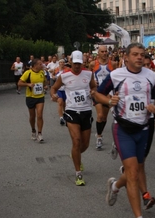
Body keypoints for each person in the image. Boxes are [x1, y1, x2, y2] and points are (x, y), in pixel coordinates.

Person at [95, 43, 155, 218]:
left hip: (144, 129)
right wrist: (109, 101)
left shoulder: (150, 76)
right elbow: (97, 93)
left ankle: (116, 186)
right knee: (133, 173)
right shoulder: (116, 75)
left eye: (142, 55)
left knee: (137, 168)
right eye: (135, 54)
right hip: (123, 128)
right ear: (126, 57)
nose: (139, 58)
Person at [51, 51, 96, 186]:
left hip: (86, 111)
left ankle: (75, 155)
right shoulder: (64, 76)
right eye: (75, 63)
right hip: (71, 111)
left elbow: (93, 86)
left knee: (85, 144)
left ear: (82, 62)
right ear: (70, 62)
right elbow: (54, 88)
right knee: (76, 141)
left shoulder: (88, 74)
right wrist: (53, 95)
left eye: (79, 63)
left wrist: (93, 91)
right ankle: (78, 174)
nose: (77, 66)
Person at [90, 45, 118, 150]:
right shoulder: (93, 64)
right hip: (97, 93)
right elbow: (90, 76)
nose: (105, 53)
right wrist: (93, 84)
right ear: (98, 53)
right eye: (102, 51)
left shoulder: (113, 64)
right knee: (100, 115)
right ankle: (99, 137)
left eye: (106, 51)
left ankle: (99, 132)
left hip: (108, 93)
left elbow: (117, 77)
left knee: (105, 118)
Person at [18, 59, 48, 142]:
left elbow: (44, 82)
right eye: (40, 64)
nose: (41, 65)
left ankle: (40, 133)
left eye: (41, 64)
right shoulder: (28, 73)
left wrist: (45, 86)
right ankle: (33, 130)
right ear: (34, 65)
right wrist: (28, 84)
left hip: (40, 97)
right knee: (32, 116)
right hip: (30, 97)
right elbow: (19, 83)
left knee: (39, 115)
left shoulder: (42, 72)